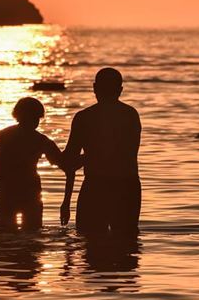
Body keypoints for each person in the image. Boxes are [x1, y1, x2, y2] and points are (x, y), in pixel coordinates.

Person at [60, 67, 141, 237]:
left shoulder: (84, 117)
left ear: (94, 88)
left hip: (96, 187)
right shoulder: (130, 115)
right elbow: (126, 154)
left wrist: (66, 200)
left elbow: (70, 162)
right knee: (126, 245)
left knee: (91, 246)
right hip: (127, 186)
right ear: (120, 90)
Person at [0, 97, 67, 231]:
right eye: (34, 118)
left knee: (6, 240)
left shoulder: (4, 136)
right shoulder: (41, 140)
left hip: (9, 192)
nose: (36, 122)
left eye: (37, 118)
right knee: (31, 238)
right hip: (25, 193)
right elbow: (63, 162)